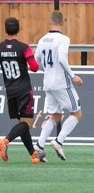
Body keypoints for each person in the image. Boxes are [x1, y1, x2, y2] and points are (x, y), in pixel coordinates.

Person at [0, 17, 45, 164]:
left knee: (22, 125)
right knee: (26, 124)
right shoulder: (24, 47)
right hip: (23, 90)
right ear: (19, 29)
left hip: (10, 91)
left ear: (5, 30)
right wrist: (29, 59)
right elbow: (35, 68)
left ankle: (33, 155)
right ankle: (6, 140)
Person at [34, 10, 83, 161]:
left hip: (47, 83)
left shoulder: (42, 39)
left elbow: (37, 60)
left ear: (50, 22)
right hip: (61, 83)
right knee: (76, 113)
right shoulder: (63, 39)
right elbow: (62, 58)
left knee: (55, 116)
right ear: (63, 23)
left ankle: (39, 144)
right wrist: (72, 75)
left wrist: (47, 70)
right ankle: (59, 141)